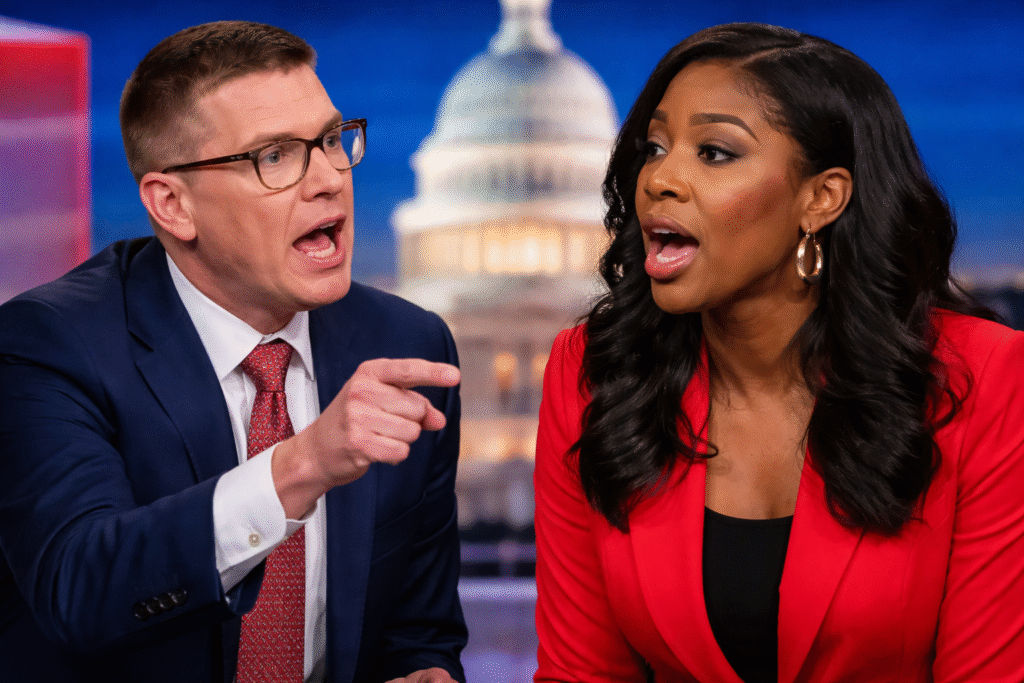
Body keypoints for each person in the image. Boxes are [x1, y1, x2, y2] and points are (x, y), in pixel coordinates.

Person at [533, 22, 1024, 683]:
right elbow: (582, 672)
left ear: (820, 199)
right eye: (655, 145)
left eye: (714, 152)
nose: (660, 178)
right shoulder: (592, 371)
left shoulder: (988, 376)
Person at [0, 21, 466, 683]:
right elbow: (80, 587)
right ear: (173, 204)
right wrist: (300, 464)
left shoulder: (408, 344)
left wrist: (424, 669)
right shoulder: (48, 343)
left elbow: (416, 631)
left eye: (333, 140)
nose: (331, 178)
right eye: (274, 156)